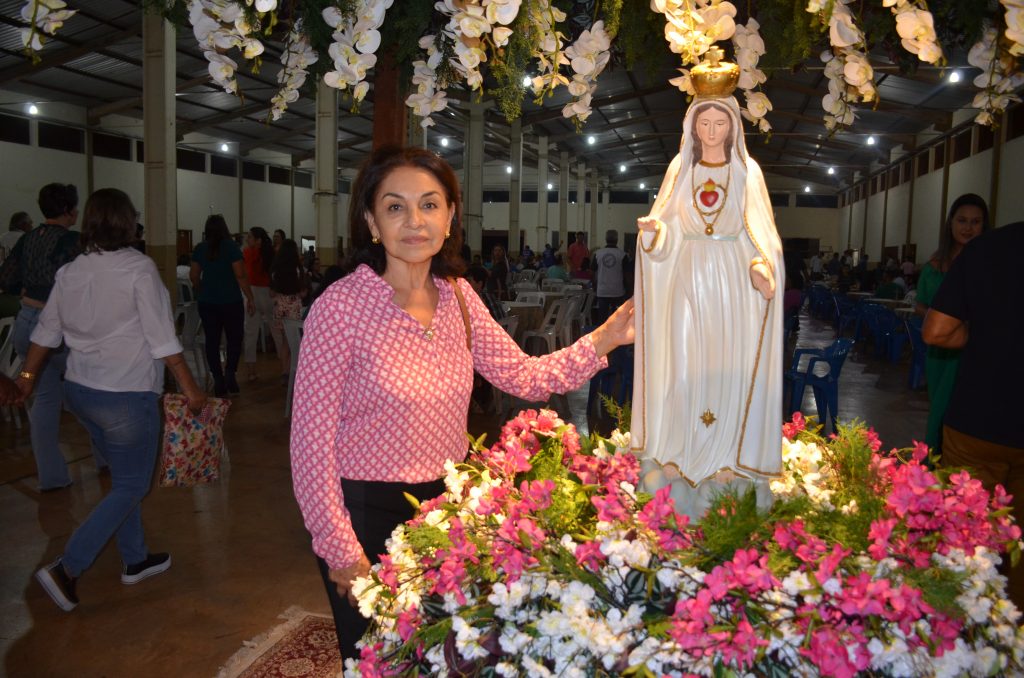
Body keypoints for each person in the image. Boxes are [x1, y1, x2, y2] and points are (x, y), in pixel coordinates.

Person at [289, 146, 635, 659]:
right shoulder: (339, 309)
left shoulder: (458, 297)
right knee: (376, 659)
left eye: (430, 205)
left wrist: (605, 336)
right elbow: (309, 449)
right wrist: (340, 550)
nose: (414, 221)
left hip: (445, 510)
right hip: (366, 513)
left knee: (439, 655)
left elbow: (524, 375)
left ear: (451, 217)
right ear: (371, 221)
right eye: (395, 207)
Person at [15, 188, 206, 612]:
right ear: (127, 222)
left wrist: (26, 379)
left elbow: (44, 333)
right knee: (133, 484)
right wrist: (191, 389)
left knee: (123, 479)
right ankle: (68, 568)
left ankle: (135, 558)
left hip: (82, 394)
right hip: (125, 397)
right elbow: (163, 340)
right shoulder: (138, 270)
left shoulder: (71, 271)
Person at [633, 64, 784, 517]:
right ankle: (679, 451)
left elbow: (762, 233)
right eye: (705, 122)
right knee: (682, 364)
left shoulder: (747, 172)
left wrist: (762, 265)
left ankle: (724, 461)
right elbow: (666, 224)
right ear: (693, 125)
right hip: (687, 276)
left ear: (733, 126)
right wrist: (653, 234)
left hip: (732, 283)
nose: (712, 130)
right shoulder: (681, 167)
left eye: (720, 123)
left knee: (726, 366)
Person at [923, 221, 1024, 607]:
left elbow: (937, 332)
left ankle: (964, 631)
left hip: (981, 419)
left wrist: (989, 337)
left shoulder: (991, 249)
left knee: (968, 537)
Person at [0, 183, 86, 490]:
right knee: (87, 393)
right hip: (58, 328)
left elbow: (7, 279)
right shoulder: (72, 241)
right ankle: (106, 458)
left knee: (46, 400)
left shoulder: (27, 239)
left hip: (26, 321)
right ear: (68, 210)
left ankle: (52, 477)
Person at [915, 193, 989, 455]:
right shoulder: (935, 267)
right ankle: (933, 466)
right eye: (962, 221)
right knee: (941, 407)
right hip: (943, 351)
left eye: (976, 222)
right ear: (951, 224)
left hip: (979, 351)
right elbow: (921, 304)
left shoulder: (991, 265)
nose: (968, 227)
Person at [190, 215, 254, 397]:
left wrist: (202, 289)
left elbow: (194, 275)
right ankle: (230, 374)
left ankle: (217, 378)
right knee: (234, 339)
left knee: (212, 340)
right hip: (231, 302)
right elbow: (240, 275)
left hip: (208, 302)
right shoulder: (231, 247)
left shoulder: (200, 249)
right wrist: (250, 297)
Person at [270, 238, 308, 383]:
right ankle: (289, 370)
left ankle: (283, 370)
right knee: (291, 341)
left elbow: (271, 293)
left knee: (282, 341)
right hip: (293, 306)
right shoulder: (297, 270)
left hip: (280, 305)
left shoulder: (275, 269)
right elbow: (302, 292)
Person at [242, 227, 275, 381]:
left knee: (251, 332)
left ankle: (251, 371)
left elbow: (245, 275)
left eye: (249, 237)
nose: (247, 239)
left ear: (258, 240)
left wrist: (248, 297)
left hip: (253, 292)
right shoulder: (270, 253)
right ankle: (285, 369)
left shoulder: (248, 253)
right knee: (277, 330)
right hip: (268, 292)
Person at [592, 229, 627, 324]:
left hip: (602, 291)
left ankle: (602, 337)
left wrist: (595, 286)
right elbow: (627, 274)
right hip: (618, 291)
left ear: (605, 239)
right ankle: (616, 337)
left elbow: (592, 271)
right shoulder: (622, 255)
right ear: (617, 240)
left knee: (602, 318)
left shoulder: (597, 254)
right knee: (617, 319)